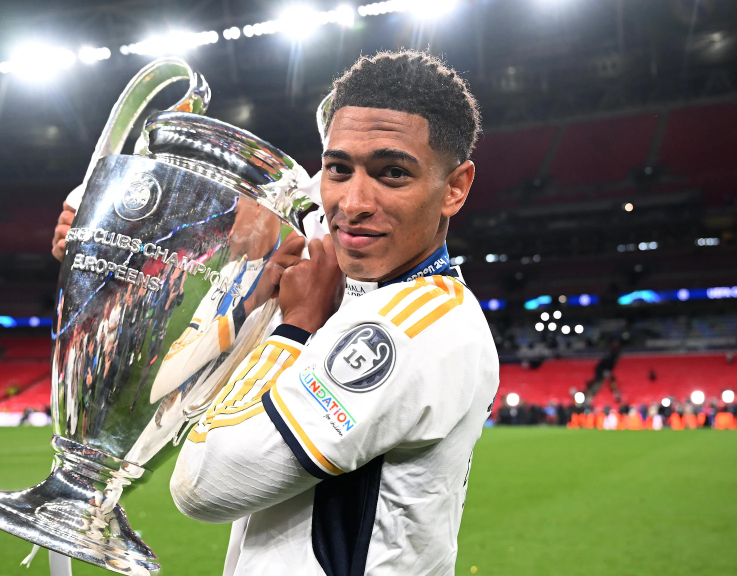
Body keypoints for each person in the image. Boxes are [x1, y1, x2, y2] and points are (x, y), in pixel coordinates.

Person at [168, 50, 499, 575]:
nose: (352, 203)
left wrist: (294, 328)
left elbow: (205, 485)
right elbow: (172, 400)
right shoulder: (353, 298)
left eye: (393, 173)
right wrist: (256, 306)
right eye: (338, 169)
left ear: (454, 188)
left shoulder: (416, 323)